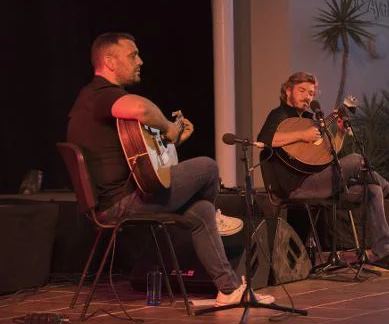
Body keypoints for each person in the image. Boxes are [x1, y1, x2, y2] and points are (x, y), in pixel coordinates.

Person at [67, 32, 273, 306]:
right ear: (109, 61)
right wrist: (170, 128)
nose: (140, 61)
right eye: (132, 56)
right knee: (207, 167)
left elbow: (136, 155)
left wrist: (165, 141)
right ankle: (218, 216)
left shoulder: (94, 99)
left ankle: (228, 290)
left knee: (201, 213)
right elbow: (141, 108)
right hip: (121, 203)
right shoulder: (101, 94)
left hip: (124, 199)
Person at [257, 72, 389, 272]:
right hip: (295, 186)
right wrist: (302, 134)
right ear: (287, 90)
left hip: (318, 181)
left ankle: (382, 253)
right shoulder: (279, 115)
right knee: (356, 160)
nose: (307, 97)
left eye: (311, 93)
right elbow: (264, 140)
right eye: (302, 90)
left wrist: (341, 133)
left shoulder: (311, 119)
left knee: (372, 189)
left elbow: (328, 155)